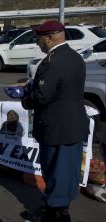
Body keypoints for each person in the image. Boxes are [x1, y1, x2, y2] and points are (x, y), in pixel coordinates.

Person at [21, 20, 89, 222]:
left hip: (56, 127)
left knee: (54, 172)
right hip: (74, 125)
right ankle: (59, 209)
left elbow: (43, 95)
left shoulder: (53, 61)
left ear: (49, 38)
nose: (38, 43)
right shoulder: (75, 57)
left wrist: (25, 97)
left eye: (39, 39)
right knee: (67, 173)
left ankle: (54, 214)